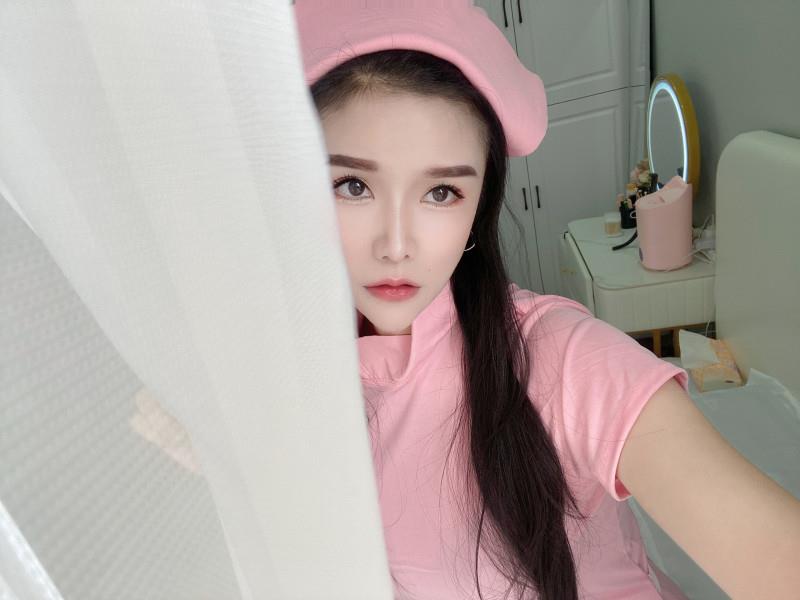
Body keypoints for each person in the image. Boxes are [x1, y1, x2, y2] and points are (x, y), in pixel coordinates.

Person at [292, 2, 686, 599]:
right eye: (352, 185)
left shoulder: (557, 358)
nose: (395, 246)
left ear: (478, 208)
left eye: (441, 192)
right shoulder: (296, 373)